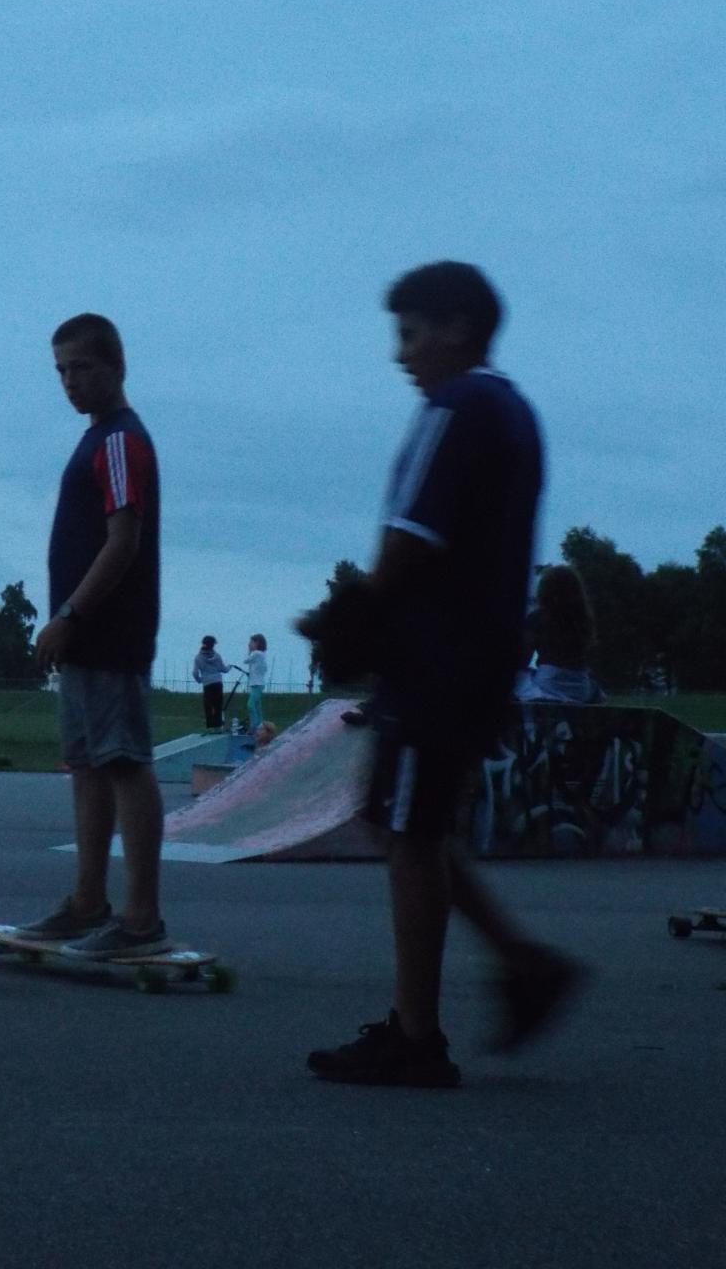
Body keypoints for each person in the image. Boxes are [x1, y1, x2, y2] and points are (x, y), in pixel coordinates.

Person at [299, 261, 581, 1088]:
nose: (401, 355)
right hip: (480, 657)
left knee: (411, 834)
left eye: (411, 334)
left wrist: (359, 611)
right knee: (405, 823)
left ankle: (416, 1036)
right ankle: (523, 964)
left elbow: (411, 533)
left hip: (436, 659)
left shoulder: (455, 406)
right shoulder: (514, 411)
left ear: (457, 327)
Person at [21, 312, 170, 960]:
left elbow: (123, 540)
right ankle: (87, 902)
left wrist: (71, 615)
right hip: (84, 638)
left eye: (81, 367)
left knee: (125, 764)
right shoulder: (94, 440)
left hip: (110, 632)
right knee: (85, 766)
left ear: (116, 366)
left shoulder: (119, 440)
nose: (70, 381)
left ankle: (141, 918)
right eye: (61, 371)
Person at [515, 565, 604, 704]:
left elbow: (523, 658)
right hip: (581, 686)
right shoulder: (583, 619)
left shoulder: (538, 618)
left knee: (519, 678)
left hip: (549, 683)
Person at [191, 636, 230, 730]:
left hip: (207, 684)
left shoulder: (198, 657)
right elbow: (223, 669)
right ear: (213, 645)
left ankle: (209, 727)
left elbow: (195, 672)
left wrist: (199, 680)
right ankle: (218, 726)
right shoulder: (217, 656)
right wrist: (229, 667)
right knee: (218, 705)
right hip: (217, 682)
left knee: (208, 706)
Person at [240, 633, 271, 730]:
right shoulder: (261, 655)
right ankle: (261, 726)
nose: (249, 644)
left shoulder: (256, 653)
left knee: (250, 705)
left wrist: (249, 650)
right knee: (257, 707)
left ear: (257, 643)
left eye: (251, 642)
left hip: (257, 684)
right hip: (257, 683)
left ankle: (254, 727)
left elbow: (245, 660)